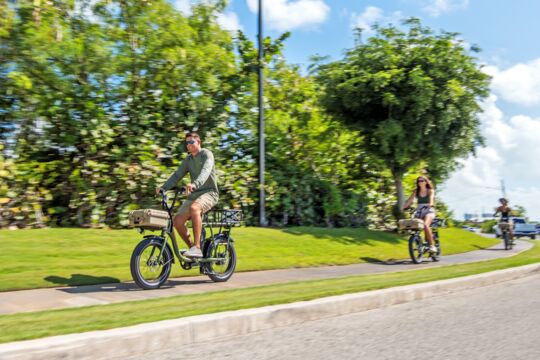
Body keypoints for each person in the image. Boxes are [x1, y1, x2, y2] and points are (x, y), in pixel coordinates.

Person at [155, 132, 218, 257]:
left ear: (198, 142)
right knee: (177, 221)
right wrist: (164, 188)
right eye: (187, 143)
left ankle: (197, 247)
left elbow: (206, 171)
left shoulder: (207, 154)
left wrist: (195, 184)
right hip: (195, 195)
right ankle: (193, 250)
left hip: (210, 193)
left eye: (191, 142)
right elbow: (177, 175)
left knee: (195, 208)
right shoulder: (188, 160)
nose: (188, 145)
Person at [402, 176, 437, 253]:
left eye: (422, 180)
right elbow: (409, 200)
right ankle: (418, 241)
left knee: (425, 225)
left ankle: (432, 246)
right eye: (418, 181)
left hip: (428, 210)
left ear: (426, 181)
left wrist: (430, 204)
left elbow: (431, 198)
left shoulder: (430, 190)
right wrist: (403, 207)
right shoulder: (416, 191)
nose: (420, 182)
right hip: (420, 211)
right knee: (414, 226)